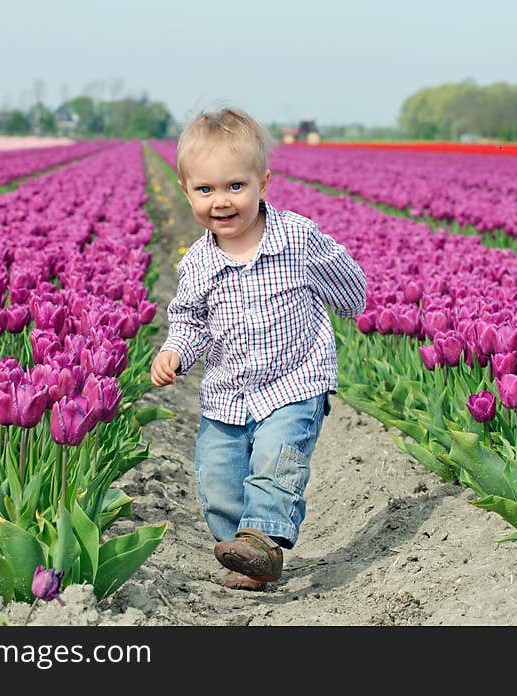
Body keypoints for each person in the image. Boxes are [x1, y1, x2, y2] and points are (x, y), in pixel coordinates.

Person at [150, 107, 367, 591]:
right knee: (216, 480)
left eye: (235, 187)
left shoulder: (297, 238)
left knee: (276, 460)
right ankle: (247, 558)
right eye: (205, 189)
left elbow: (350, 290)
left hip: (295, 381)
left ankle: (263, 539)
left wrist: (343, 287)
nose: (221, 201)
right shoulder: (198, 264)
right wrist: (176, 353)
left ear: (263, 183)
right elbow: (191, 321)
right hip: (227, 392)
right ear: (185, 190)